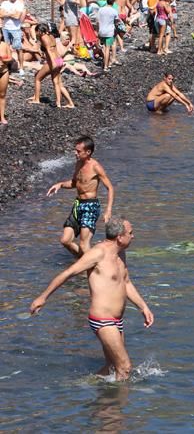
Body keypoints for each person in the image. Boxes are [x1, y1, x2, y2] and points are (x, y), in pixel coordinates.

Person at [29, 217, 153, 381]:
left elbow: (126, 282)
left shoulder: (120, 253)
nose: (133, 236)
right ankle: (117, 405)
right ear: (119, 237)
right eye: (131, 233)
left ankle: (84, 385)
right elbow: (68, 273)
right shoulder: (98, 253)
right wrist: (43, 297)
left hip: (117, 320)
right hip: (103, 319)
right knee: (125, 367)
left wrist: (143, 307)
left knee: (112, 367)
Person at [46, 136, 115, 257]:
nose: (75, 153)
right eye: (75, 150)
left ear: (88, 152)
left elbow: (110, 188)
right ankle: (85, 261)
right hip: (78, 205)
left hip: (90, 206)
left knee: (84, 244)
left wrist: (108, 210)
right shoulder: (78, 164)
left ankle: (88, 270)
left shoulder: (96, 167)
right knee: (65, 240)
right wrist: (60, 184)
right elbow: (75, 183)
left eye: (78, 151)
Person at [1, 0, 26, 71]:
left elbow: (17, 16)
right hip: (5, 28)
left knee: (18, 48)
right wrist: (12, 13)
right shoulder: (4, 3)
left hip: (16, 28)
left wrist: (7, 13)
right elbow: (1, 14)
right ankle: (7, 67)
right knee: (6, 48)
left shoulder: (19, 4)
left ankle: (21, 68)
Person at [96, 0, 120, 72]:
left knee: (103, 47)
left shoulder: (101, 9)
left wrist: (97, 31)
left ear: (106, 1)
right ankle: (106, 66)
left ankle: (107, 62)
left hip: (101, 30)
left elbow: (97, 22)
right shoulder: (114, 11)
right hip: (109, 32)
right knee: (107, 48)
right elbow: (117, 22)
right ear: (113, 2)